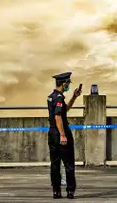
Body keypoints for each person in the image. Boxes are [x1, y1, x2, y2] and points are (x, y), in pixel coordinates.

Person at [47, 71, 82, 199]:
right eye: (67, 83)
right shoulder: (59, 98)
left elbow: (64, 110)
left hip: (52, 133)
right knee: (68, 164)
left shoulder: (51, 96)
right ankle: (70, 191)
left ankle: (56, 191)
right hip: (60, 132)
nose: (68, 86)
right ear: (63, 83)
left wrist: (74, 97)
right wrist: (62, 134)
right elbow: (58, 117)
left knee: (55, 164)